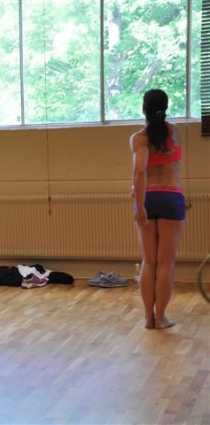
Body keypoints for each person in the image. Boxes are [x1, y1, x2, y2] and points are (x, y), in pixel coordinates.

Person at [130, 89, 185, 330]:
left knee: (148, 261)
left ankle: (148, 318)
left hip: (149, 197)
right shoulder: (176, 133)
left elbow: (141, 171)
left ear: (143, 109)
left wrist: (140, 205)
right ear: (166, 107)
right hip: (172, 196)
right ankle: (161, 317)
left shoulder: (138, 138)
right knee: (165, 263)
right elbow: (169, 163)